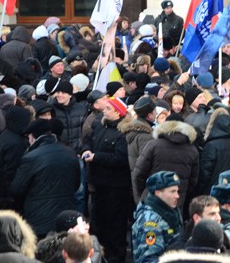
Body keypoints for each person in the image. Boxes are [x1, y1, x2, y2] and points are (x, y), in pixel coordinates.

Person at [10, 118, 80, 238]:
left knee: (40, 253)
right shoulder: (70, 153)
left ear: (32, 137)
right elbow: (76, 184)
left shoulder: (30, 158)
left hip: (39, 219)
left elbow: (16, 189)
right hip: (66, 217)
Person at [81, 97, 132, 263]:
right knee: (99, 224)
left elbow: (121, 158)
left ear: (118, 112)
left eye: (108, 108)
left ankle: (116, 257)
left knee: (115, 226)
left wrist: (96, 157)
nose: (104, 110)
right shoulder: (100, 126)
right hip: (98, 185)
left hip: (116, 188)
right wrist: (87, 150)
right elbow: (87, 140)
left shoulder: (123, 133)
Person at [132, 119, 199, 211]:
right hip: (176, 200)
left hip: (152, 197)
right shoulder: (192, 150)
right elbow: (193, 182)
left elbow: (139, 173)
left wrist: (142, 192)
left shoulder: (153, 145)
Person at [132, 171, 183, 263]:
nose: (177, 196)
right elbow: (148, 259)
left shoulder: (170, 212)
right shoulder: (150, 222)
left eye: (177, 191)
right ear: (158, 193)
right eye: (172, 191)